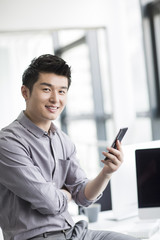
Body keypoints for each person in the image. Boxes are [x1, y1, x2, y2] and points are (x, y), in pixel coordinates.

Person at [0, 54, 137, 240]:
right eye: (47, 89)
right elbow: (50, 203)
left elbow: (82, 196)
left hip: (74, 233)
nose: (55, 99)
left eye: (62, 91)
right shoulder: (8, 142)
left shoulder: (62, 140)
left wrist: (107, 172)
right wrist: (66, 194)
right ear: (25, 92)